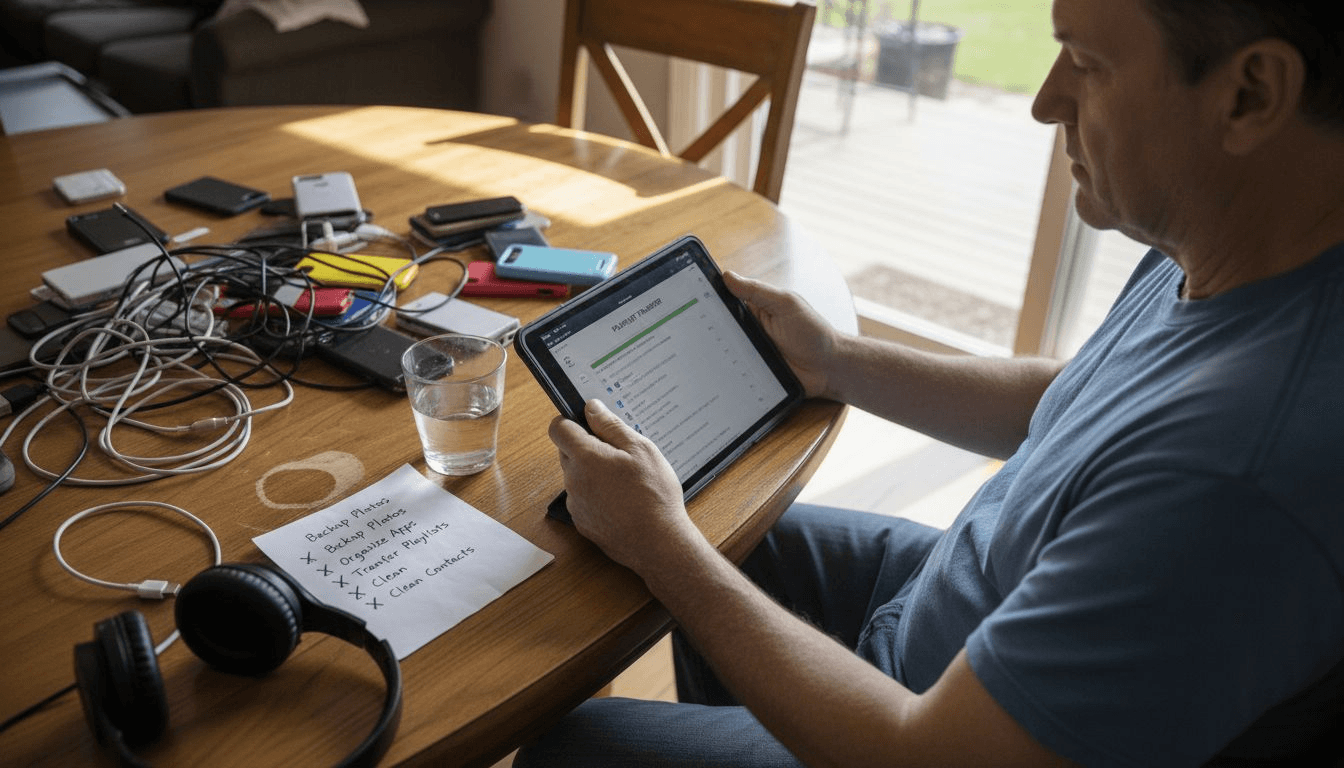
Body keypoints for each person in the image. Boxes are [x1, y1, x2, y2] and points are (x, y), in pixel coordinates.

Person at [516, 0, 1344, 764]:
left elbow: (929, 754)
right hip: (959, 595)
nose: (1046, 101)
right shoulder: (1229, 243)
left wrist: (665, 549)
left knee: (581, 740)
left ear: (1251, 94)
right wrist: (834, 362)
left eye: (1087, 64)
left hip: (933, 723)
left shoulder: (1236, 477)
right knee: (732, 531)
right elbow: (1078, 400)